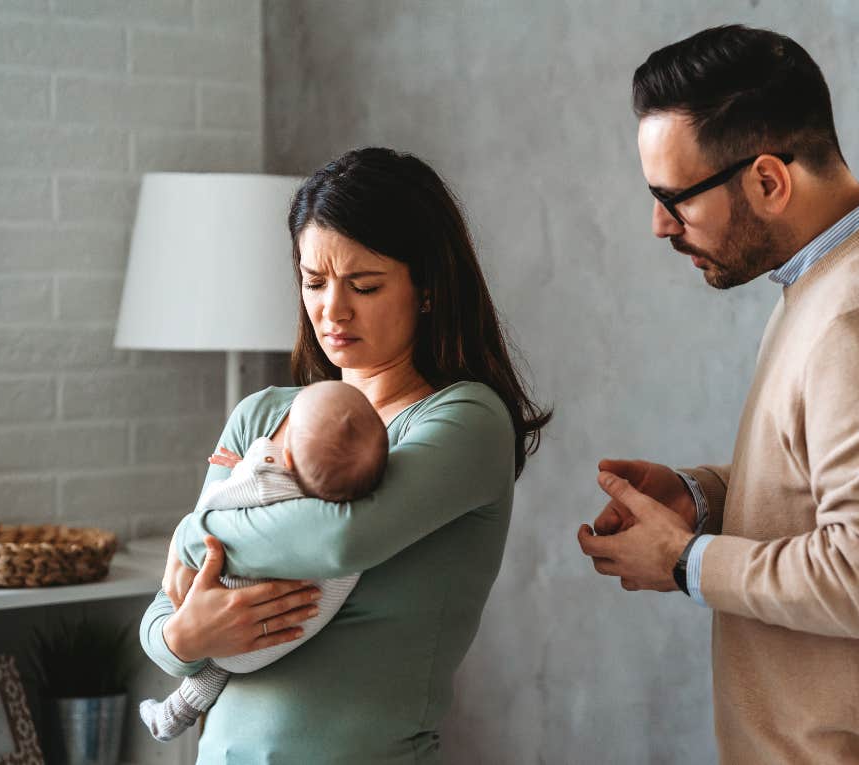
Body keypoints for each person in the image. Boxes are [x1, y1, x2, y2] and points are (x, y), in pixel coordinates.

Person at [576, 25, 859, 763]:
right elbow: (833, 484)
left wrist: (684, 560)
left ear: (769, 180)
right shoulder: (839, 275)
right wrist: (701, 498)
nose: (658, 225)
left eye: (674, 198)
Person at [138, 147, 551, 763]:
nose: (333, 309)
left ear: (429, 288)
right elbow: (165, 614)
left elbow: (340, 538)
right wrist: (184, 635)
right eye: (313, 282)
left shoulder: (466, 420)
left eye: (364, 285)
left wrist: (195, 531)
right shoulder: (260, 415)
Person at [139, 380, 387, 741]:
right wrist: (181, 637)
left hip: (236, 628)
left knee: (215, 660)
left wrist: (246, 466)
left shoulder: (268, 479)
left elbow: (211, 510)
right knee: (219, 662)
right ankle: (177, 709)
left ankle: (174, 712)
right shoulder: (356, 506)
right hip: (291, 632)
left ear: (287, 457)